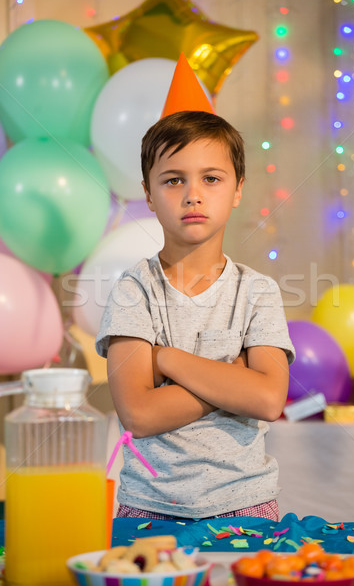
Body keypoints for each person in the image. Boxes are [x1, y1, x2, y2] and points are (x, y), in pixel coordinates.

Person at [95, 110, 295, 521]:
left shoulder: (258, 292)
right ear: (148, 195)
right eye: (173, 180)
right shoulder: (135, 291)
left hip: (247, 504)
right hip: (148, 507)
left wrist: (166, 359)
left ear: (238, 189)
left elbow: (268, 398)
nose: (193, 194)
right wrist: (232, 376)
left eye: (211, 178)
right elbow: (140, 414)